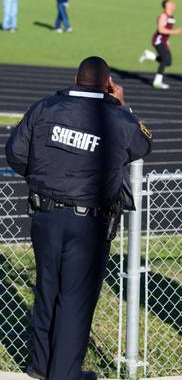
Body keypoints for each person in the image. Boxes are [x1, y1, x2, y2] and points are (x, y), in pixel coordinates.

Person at [5, 56, 152, 380]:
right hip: (88, 222)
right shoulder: (115, 116)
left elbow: (15, 152)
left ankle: (41, 367)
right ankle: (65, 374)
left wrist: (45, 179)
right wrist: (123, 104)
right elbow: (143, 143)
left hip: (45, 215)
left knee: (47, 291)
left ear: (75, 77)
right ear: (108, 83)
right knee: (76, 298)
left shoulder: (45, 107)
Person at [138, 0, 182, 89]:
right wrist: (175, 32)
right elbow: (160, 30)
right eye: (171, 3)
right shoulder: (163, 15)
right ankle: (157, 82)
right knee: (165, 60)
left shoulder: (172, 17)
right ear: (166, 5)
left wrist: (167, 41)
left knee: (168, 62)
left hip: (163, 41)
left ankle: (149, 55)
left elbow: (166, 32)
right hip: (158, 41)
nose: (173, 4)